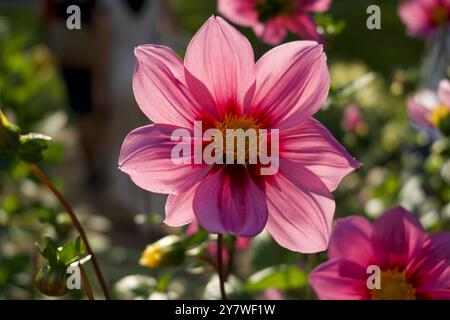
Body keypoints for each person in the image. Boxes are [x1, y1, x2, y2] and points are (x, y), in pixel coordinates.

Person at [40, 0, 109, 188]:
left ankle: (91, 167)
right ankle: (102, 161)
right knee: (98, 113)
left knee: (81, 114)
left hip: (69, 59)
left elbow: (46, 17)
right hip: (91, 58)